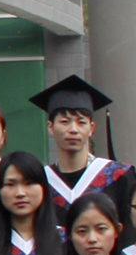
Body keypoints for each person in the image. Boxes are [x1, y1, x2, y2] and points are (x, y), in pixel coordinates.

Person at [29, 76, 130, 213]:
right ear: (50, 127)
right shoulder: (40, 182)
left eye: (81, 122)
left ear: (92, 128)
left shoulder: (118, 176)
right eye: (65, 122)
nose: (73, 129)